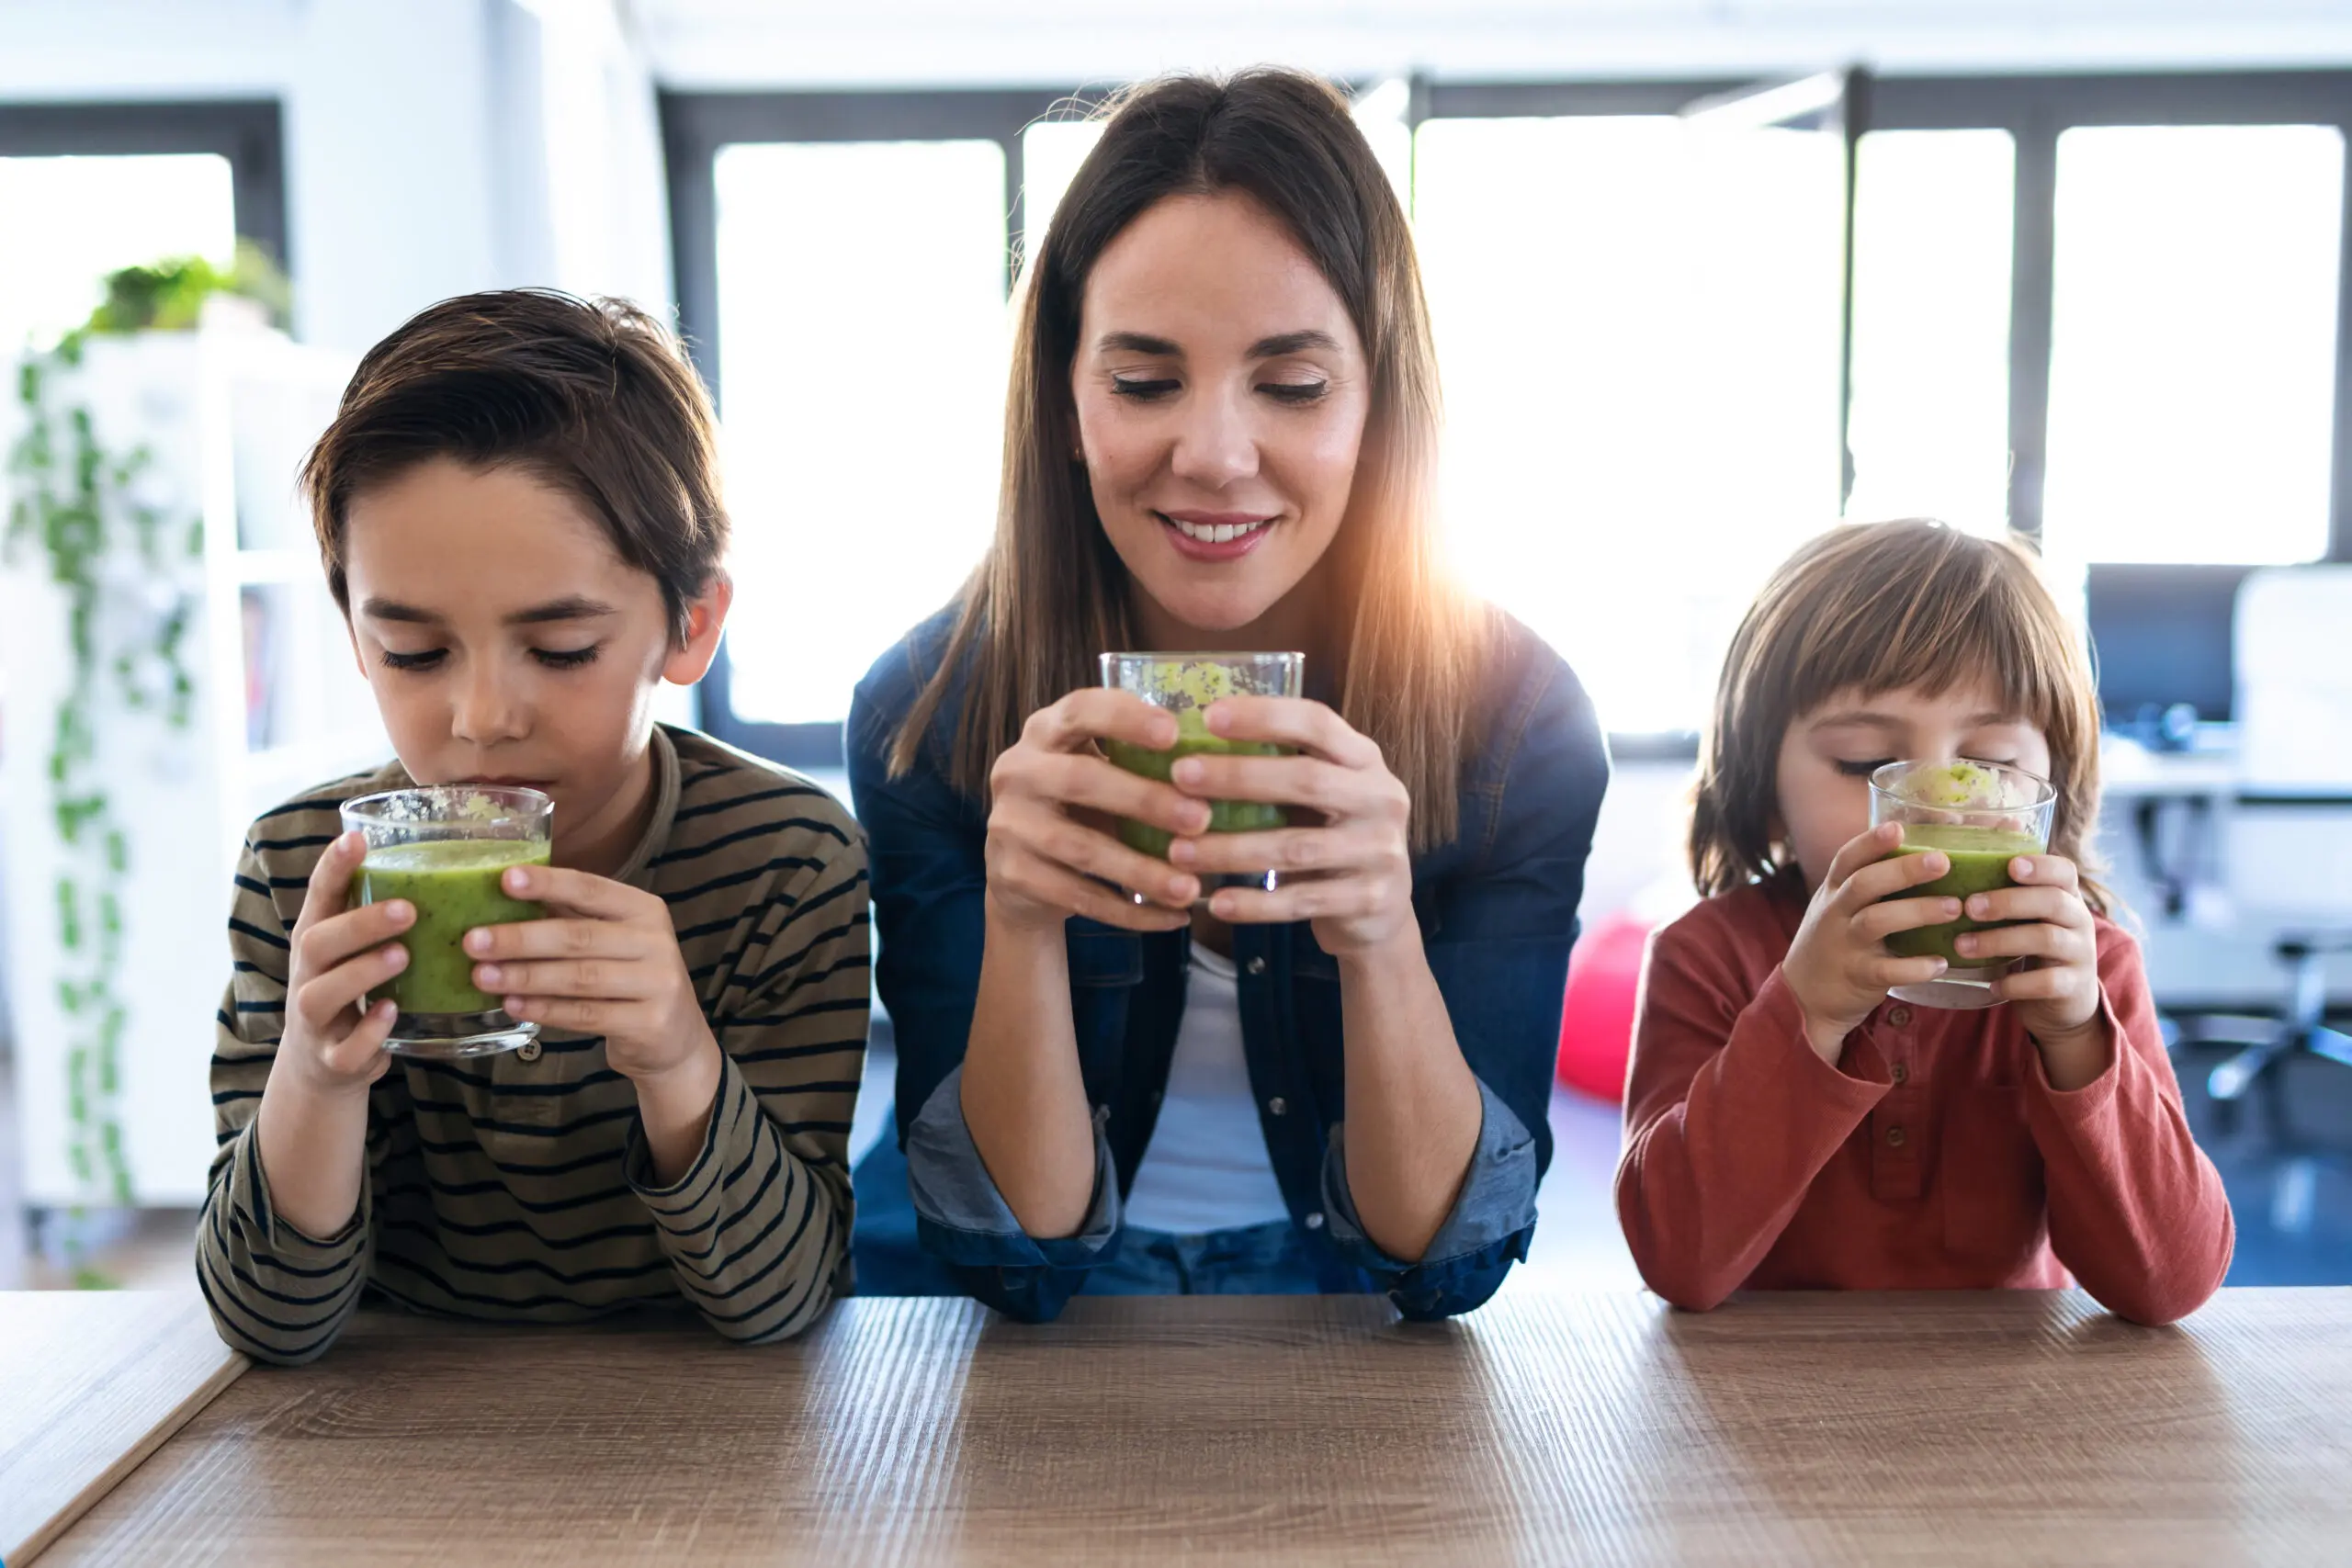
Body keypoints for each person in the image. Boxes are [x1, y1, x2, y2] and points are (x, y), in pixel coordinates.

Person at [848, 69, 1609, 1322]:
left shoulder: (1515, 720)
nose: (1213, 453)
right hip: (982, 1313)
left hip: (1329, 1300)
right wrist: (1024, 924)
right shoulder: (926, 709)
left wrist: (1380, 929)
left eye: (1294, 385)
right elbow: (1012, 1262)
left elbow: (1445, 1261)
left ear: (1379, 404)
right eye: (1145, 381)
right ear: (1068, 403)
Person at [199, 290, 868, 1363]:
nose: (479, 720)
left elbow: (783, 1306)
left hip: (699, 1426)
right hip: (393, 1422)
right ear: (357, 640)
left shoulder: (785, 862)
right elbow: (268, 1329)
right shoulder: (300, 870)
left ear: (689, 625)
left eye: (559, 651)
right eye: (416, 653)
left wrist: (675, 1057)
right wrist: (315, 1081)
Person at [1615, 519, 2233, 1325]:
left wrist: (2075, 1038)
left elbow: (2171, 1282)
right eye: (1868, 766)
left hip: (2014, 1407)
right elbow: (1679, 1258)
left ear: (2053, 792)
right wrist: (1809, 1010)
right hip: (1769, 1411)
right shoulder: (1706, 956)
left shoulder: (2087, 969)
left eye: (1992, 766)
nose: (1933, 808)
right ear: (1764, 792)